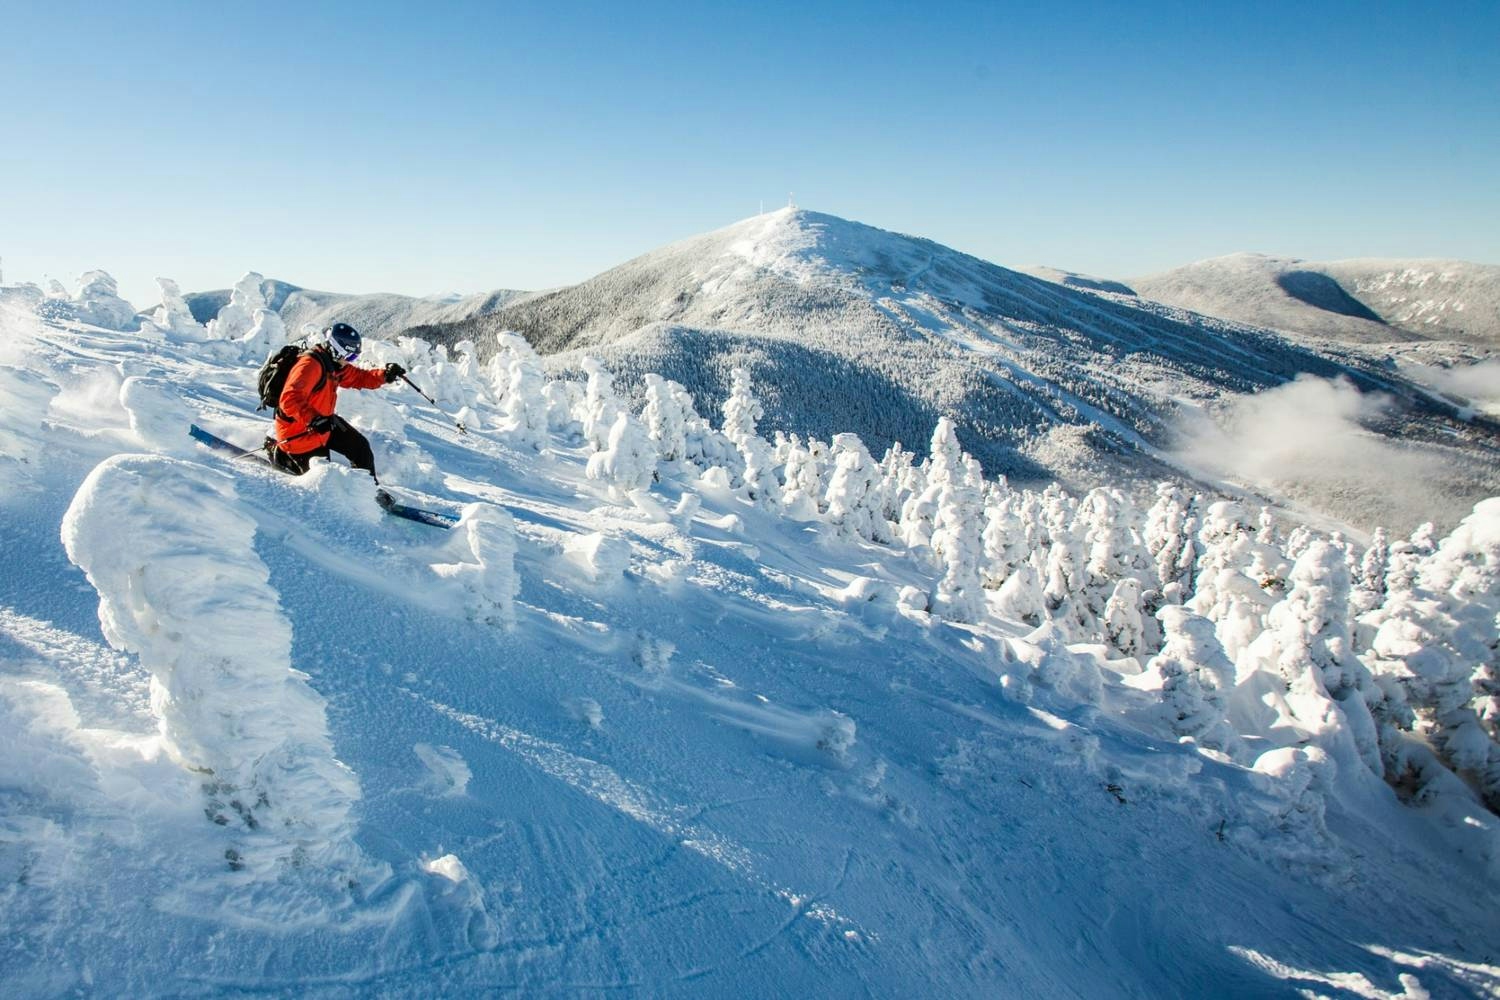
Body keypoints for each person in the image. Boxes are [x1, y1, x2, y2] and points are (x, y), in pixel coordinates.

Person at [267, 322, 405, 481]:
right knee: (322, 479)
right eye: (350, 356)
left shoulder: (334, 365)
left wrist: (385, 375)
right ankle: (282, 455)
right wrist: (314, 419)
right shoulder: (310, 366)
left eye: (354, 357)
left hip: (323, 424)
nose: (351, 361)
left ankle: (368, 490)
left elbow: (359, 377)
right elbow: (289, 399)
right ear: (336, 350)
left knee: (360, 448)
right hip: (300, 433)